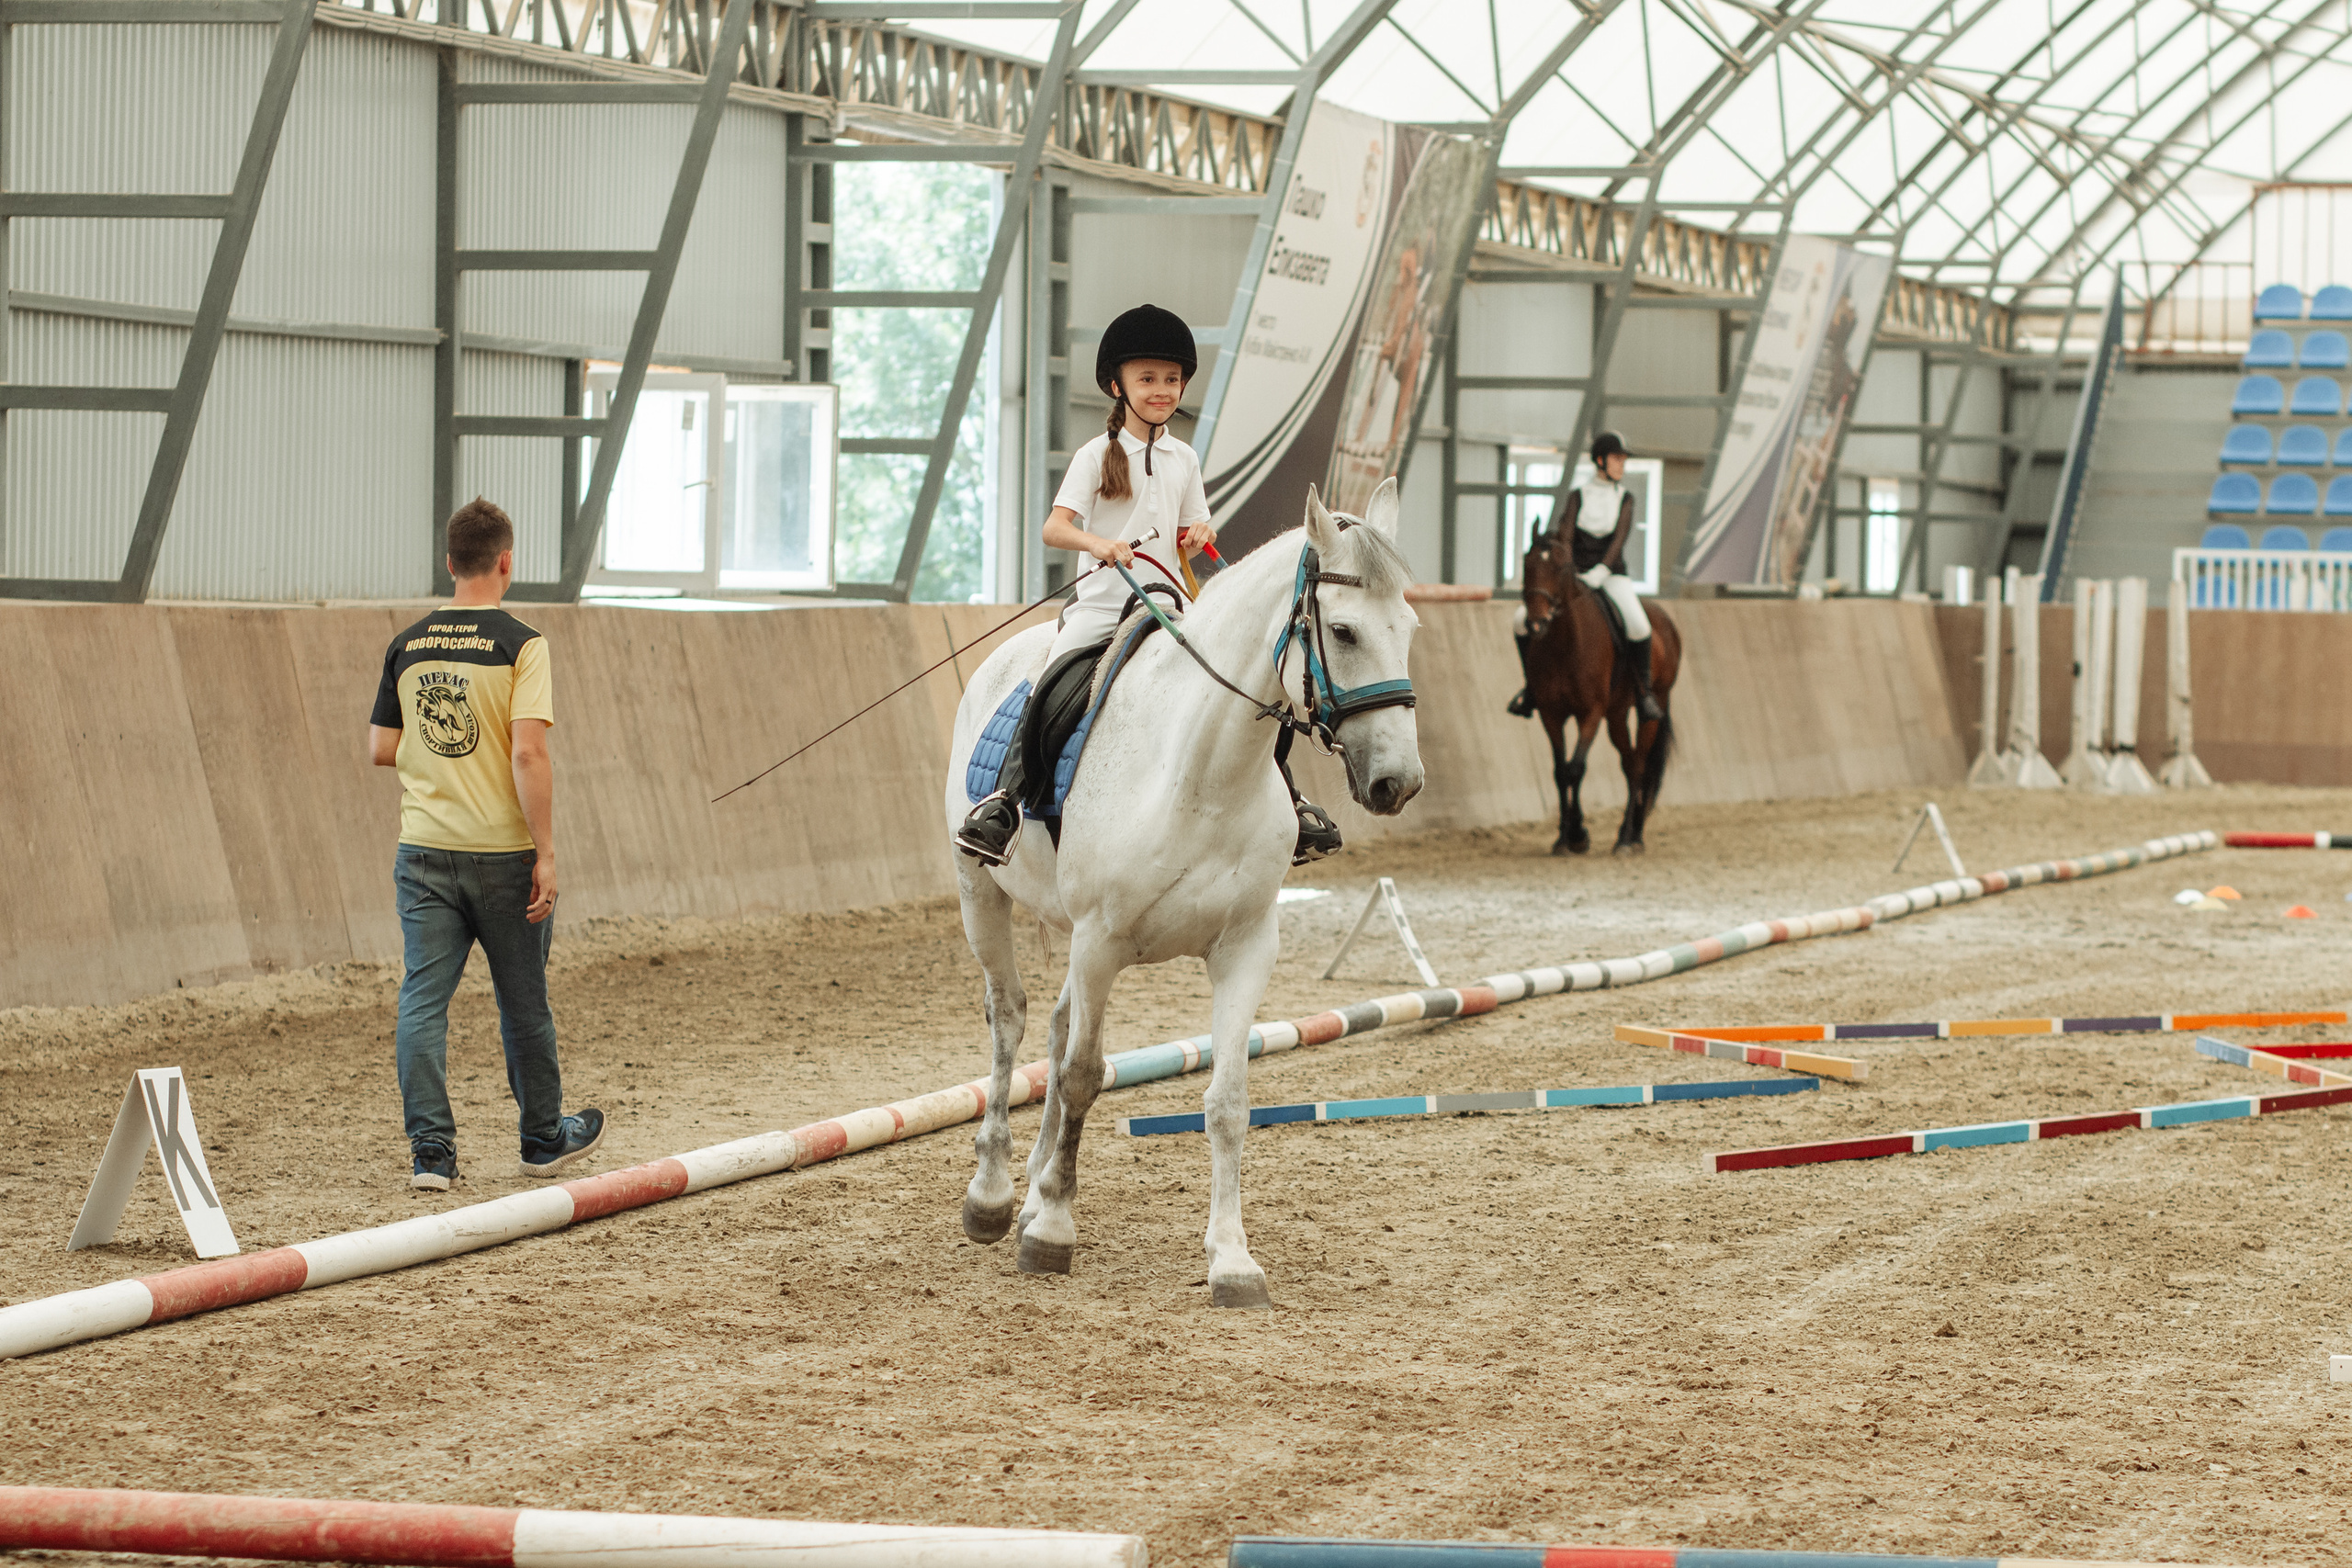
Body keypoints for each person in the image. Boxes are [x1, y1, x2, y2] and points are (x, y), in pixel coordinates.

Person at [954, 302, 1344, 867]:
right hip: (1103, 608)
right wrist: (1099, 545)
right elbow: (1054, 527)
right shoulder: (1096, 455)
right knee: (1052, 691)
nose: (1161, 390)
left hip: (1171, 607)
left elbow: (1188, 525)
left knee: (1255, 690)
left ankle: (1288, 798)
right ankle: (1005, 803)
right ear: (1119, 384)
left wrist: (1198, 532)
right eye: (1147, 379)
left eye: (1170, 379)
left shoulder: (1184, 457)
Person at [368, 498, 605, 1191]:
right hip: (503, 856)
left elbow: (381, 748)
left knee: (422, 1002)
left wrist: (441, 758)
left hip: (423, 853)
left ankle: (432, 1154)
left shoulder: (407, 645)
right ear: (506, 562)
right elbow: (527, 754)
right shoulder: (522, 643)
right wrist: (548, 851)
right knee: (523, 1000)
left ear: (449, 563)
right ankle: (541, 1138)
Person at [1507, 430, 1663, 723]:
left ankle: (1644, 695)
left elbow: (1619, 539)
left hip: (1612, 575)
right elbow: (1566, 536)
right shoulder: (1578, 496)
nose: (1622, 465)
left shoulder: (1626, 499)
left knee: (1640, 626)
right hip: (1576, 576)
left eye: (1622, 459)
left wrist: (1601, 571)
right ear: (1601, 461)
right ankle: (1531, 688)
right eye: (1617, 459)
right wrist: (1572, 571)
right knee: (1520, 621)